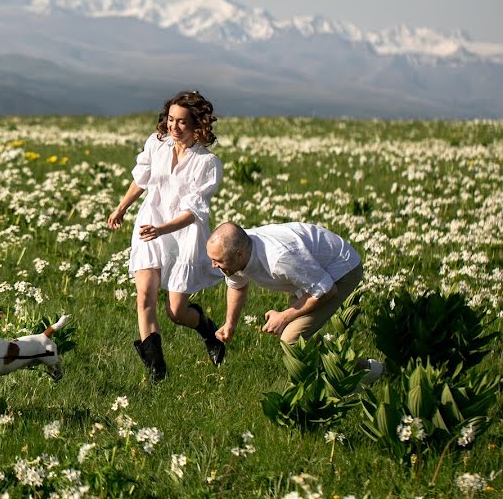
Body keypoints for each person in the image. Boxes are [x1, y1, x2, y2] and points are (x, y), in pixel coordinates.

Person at [107, 90, 226, 382]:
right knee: (144, 296)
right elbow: (141, 179)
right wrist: (121, 207)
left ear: (199, 125)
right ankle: (156, 369)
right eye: (171, 119)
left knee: (176, 311)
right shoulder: (157, 144)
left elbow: (193, 212)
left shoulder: (207, 164)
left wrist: (162, 230)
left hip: (182, 233)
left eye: (182, 122)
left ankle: (208, 330)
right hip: (149, 225)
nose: (173, 127)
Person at [205, 221, 383, 381]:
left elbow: (327, 290)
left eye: (218, 261)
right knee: (298, 336)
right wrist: (230, 325)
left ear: (240, 255)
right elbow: (237, 285)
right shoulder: (238, 252)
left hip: (341, 270)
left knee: (292, 338)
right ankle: (362, 370)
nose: (213, 266)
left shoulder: (279, 259)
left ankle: (354, 377)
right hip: (311, 274)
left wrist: (283, 316)